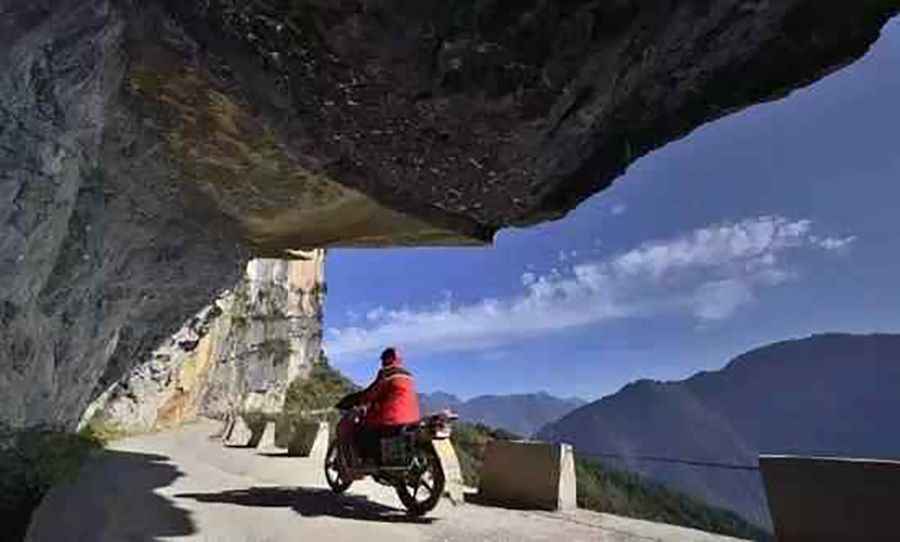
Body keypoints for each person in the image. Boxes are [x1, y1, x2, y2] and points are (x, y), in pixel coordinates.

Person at [350, 347, 421, 464]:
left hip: (393, 417)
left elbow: (373, 392)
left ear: (388, 359)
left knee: (363, 429)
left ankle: (368, 461)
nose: (382, 362)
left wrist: (359, 400)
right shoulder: (408, 375)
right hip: (413, 418)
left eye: (383, 359)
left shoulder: (387, 373)